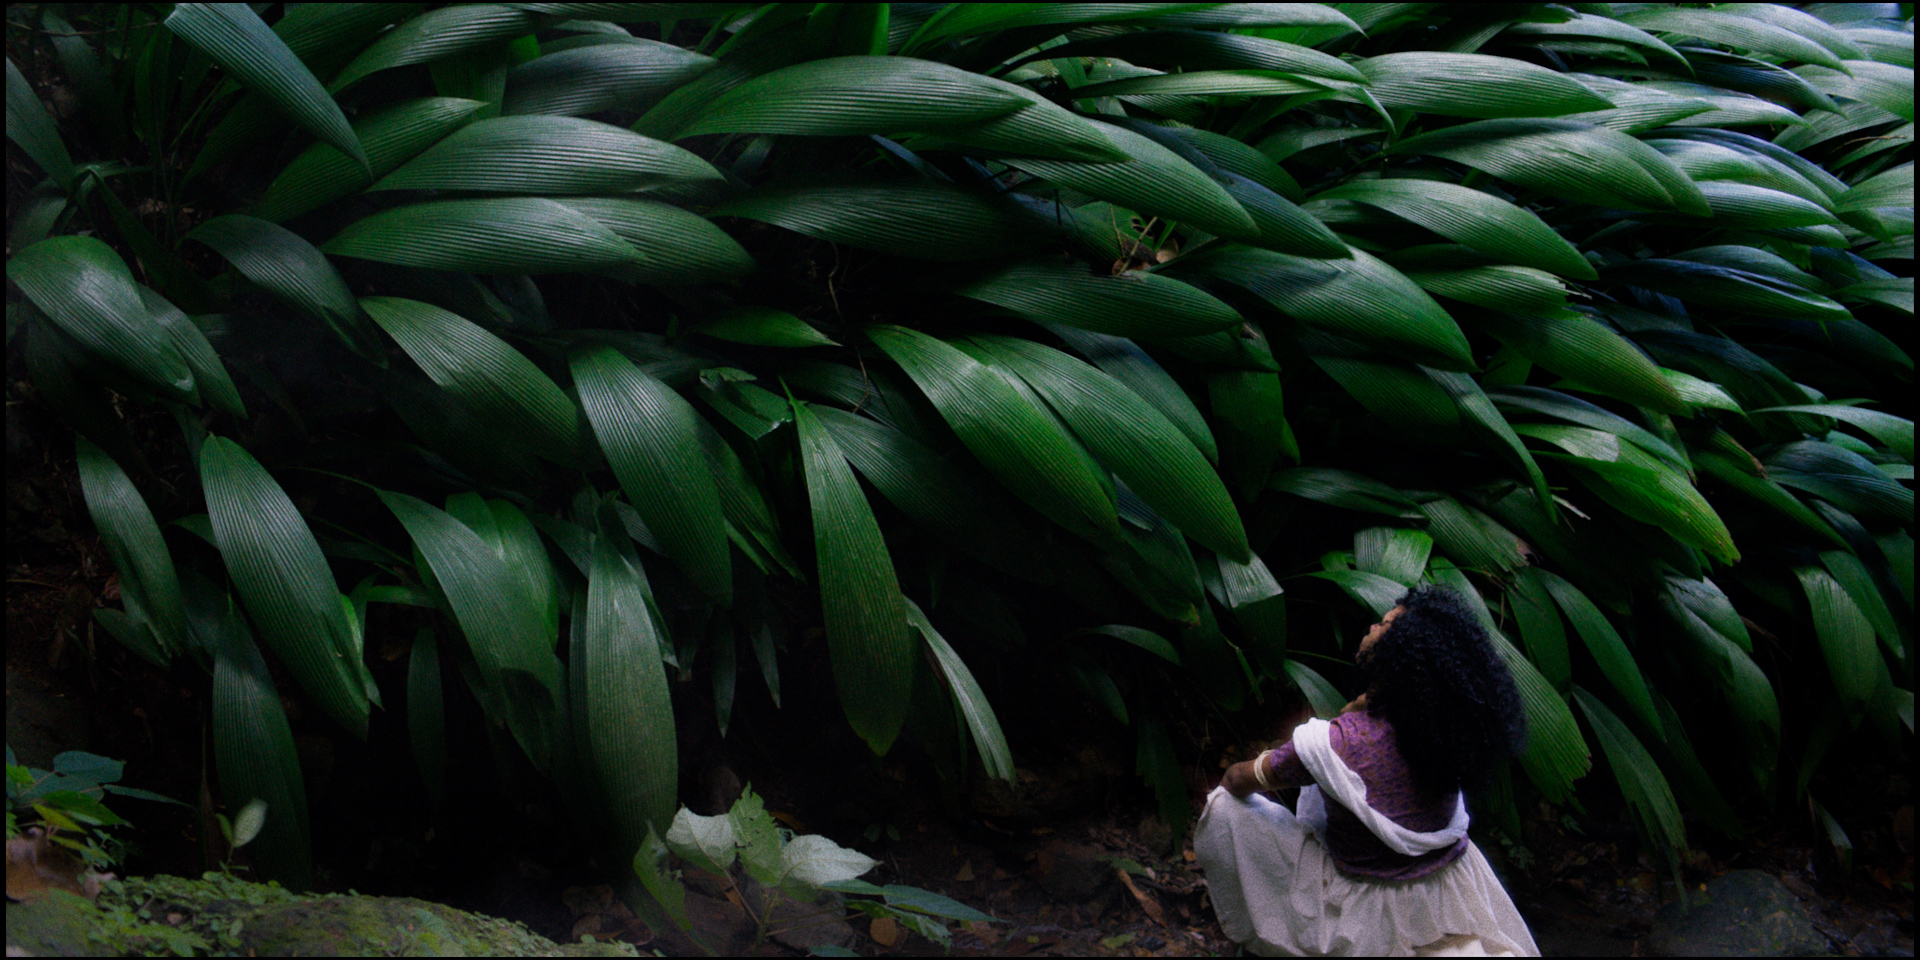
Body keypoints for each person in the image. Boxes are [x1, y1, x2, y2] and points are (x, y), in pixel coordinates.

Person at [1194, 585, 1539, 957]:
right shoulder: (1444, 735)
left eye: (1385, 624)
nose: (1374, 625)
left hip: (1366, 900)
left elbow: (1236, 780)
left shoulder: (1339, 744)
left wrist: (1273, 760)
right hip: (1444, 885)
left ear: (1398, 655)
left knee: (1225, 805)